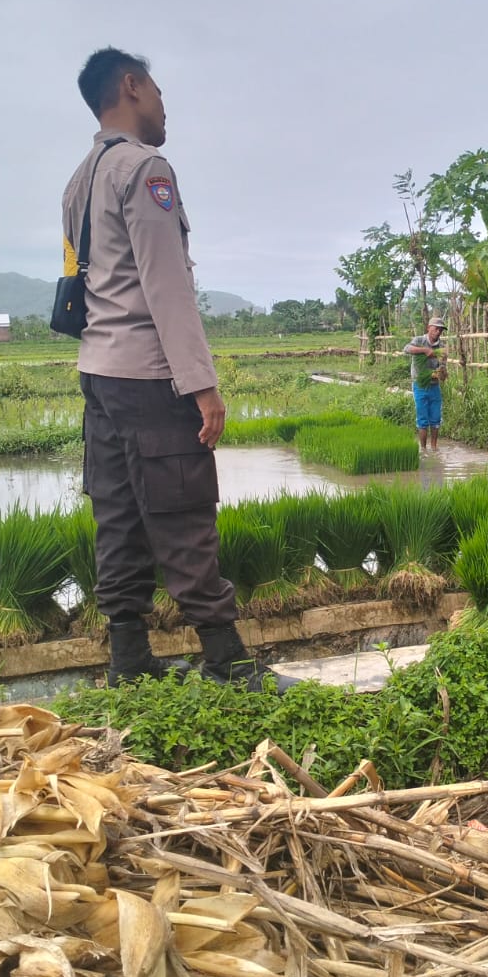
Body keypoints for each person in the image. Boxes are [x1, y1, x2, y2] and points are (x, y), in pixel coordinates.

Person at [65, 47, 296, 692]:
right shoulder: (144, 169)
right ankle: (227, 660)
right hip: (147, 375)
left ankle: (129, 660)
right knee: (184, 512)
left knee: (119, 515)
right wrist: (203, 386)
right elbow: (166, 285)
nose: (165, 105)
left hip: (100, 374)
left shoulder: (79, 179)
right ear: (132, 88)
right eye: (158, 91)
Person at [403, 317, 448, 450]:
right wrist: (425, 350)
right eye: (436, 328)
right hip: (420, 385)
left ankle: (434, 448)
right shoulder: (419, 340)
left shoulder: (442, 348)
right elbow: (406, 348)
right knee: (422, 419)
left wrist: (441, 373)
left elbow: (443, 367)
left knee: (436, 418)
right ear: (429, 328)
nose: (438, 331)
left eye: (441, 330)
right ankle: (423, 449)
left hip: (434, 386)